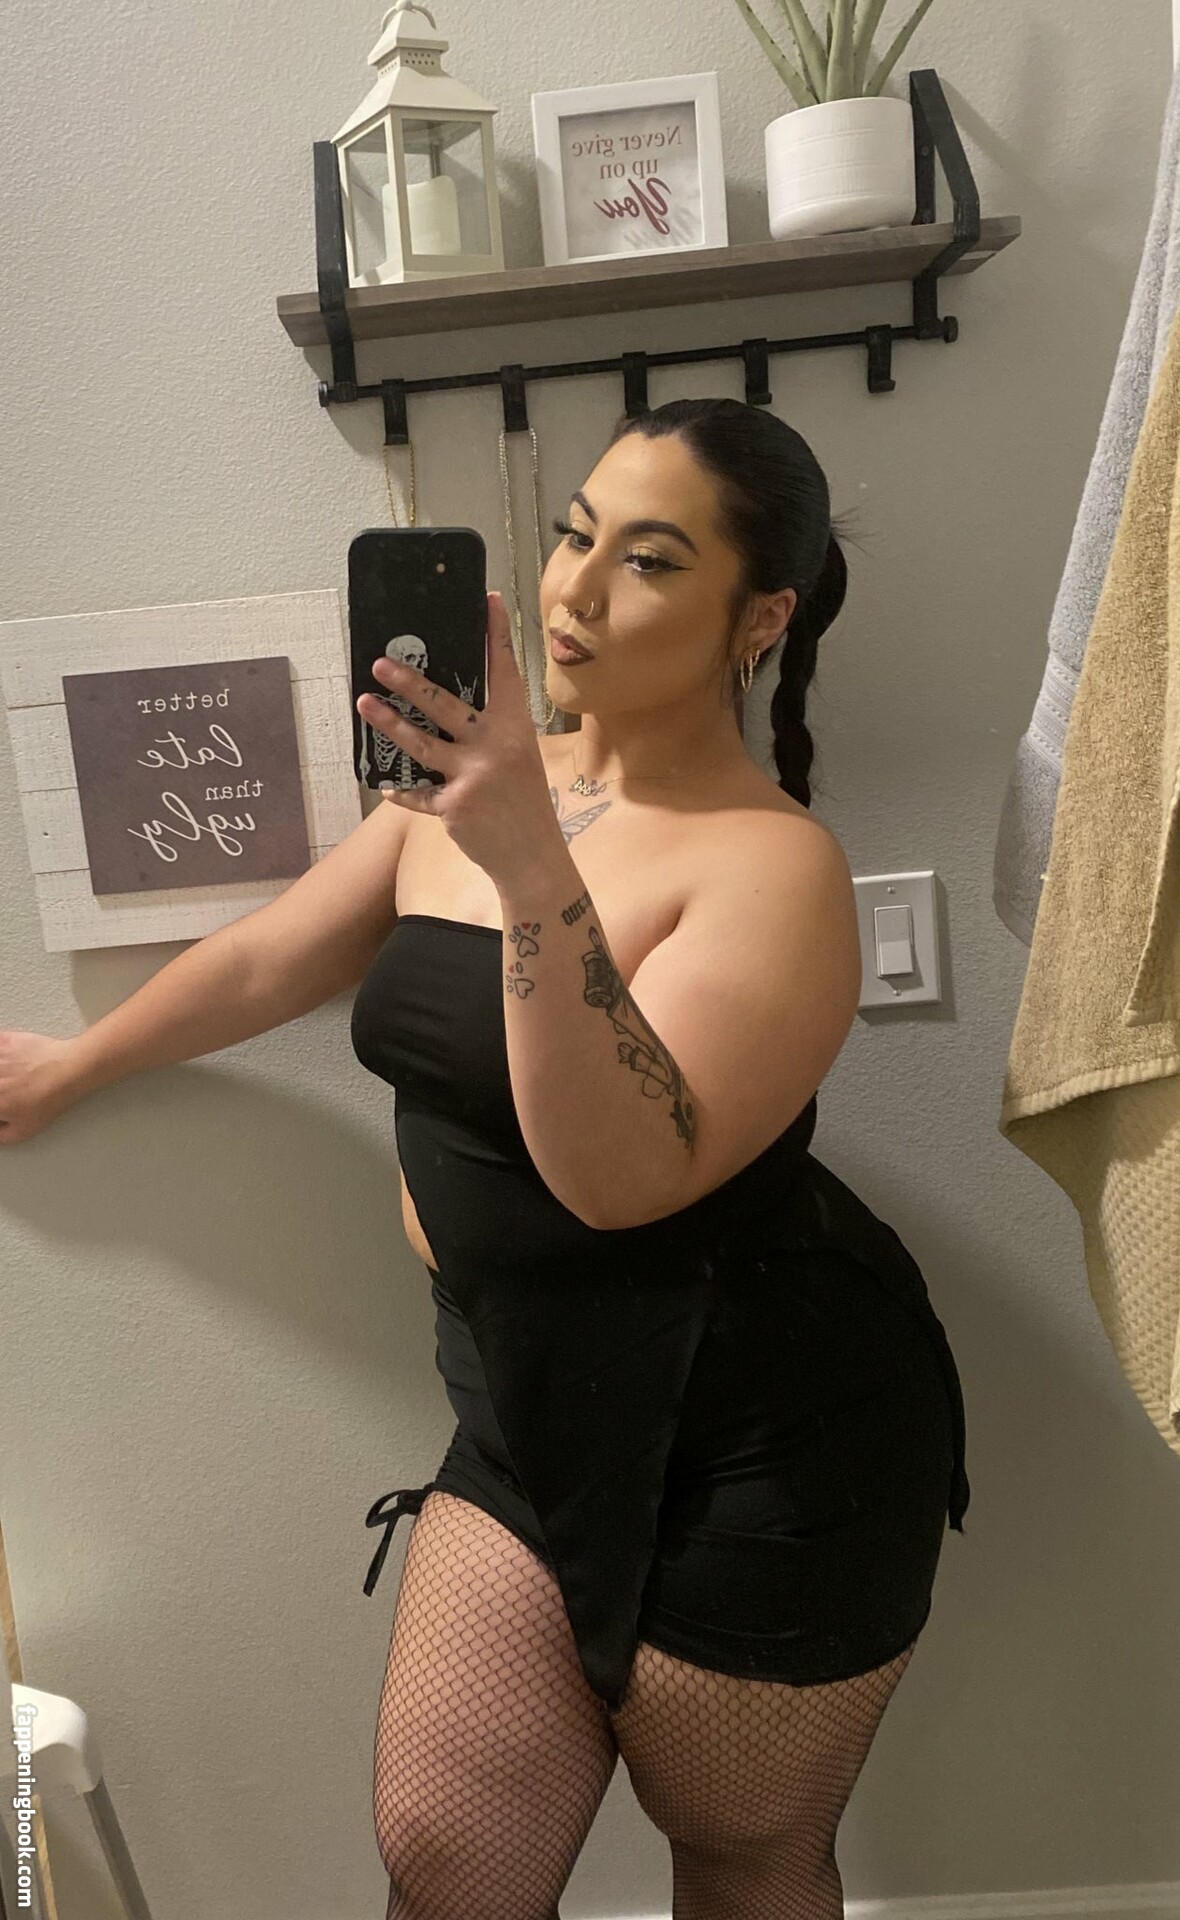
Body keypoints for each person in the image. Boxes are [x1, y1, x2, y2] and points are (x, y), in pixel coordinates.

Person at [0, 397, 969, 1920]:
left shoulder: (774, 866)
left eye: (649, 558)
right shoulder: (456, 801)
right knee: (445, 1860)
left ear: (761, 617)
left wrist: (529, 862)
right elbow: (272, 958)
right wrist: (74, 1064)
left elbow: (618, 1180)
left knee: (741, 1855)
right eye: (576, 533)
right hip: (517, 1404)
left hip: (760, 1438)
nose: (575, 588)